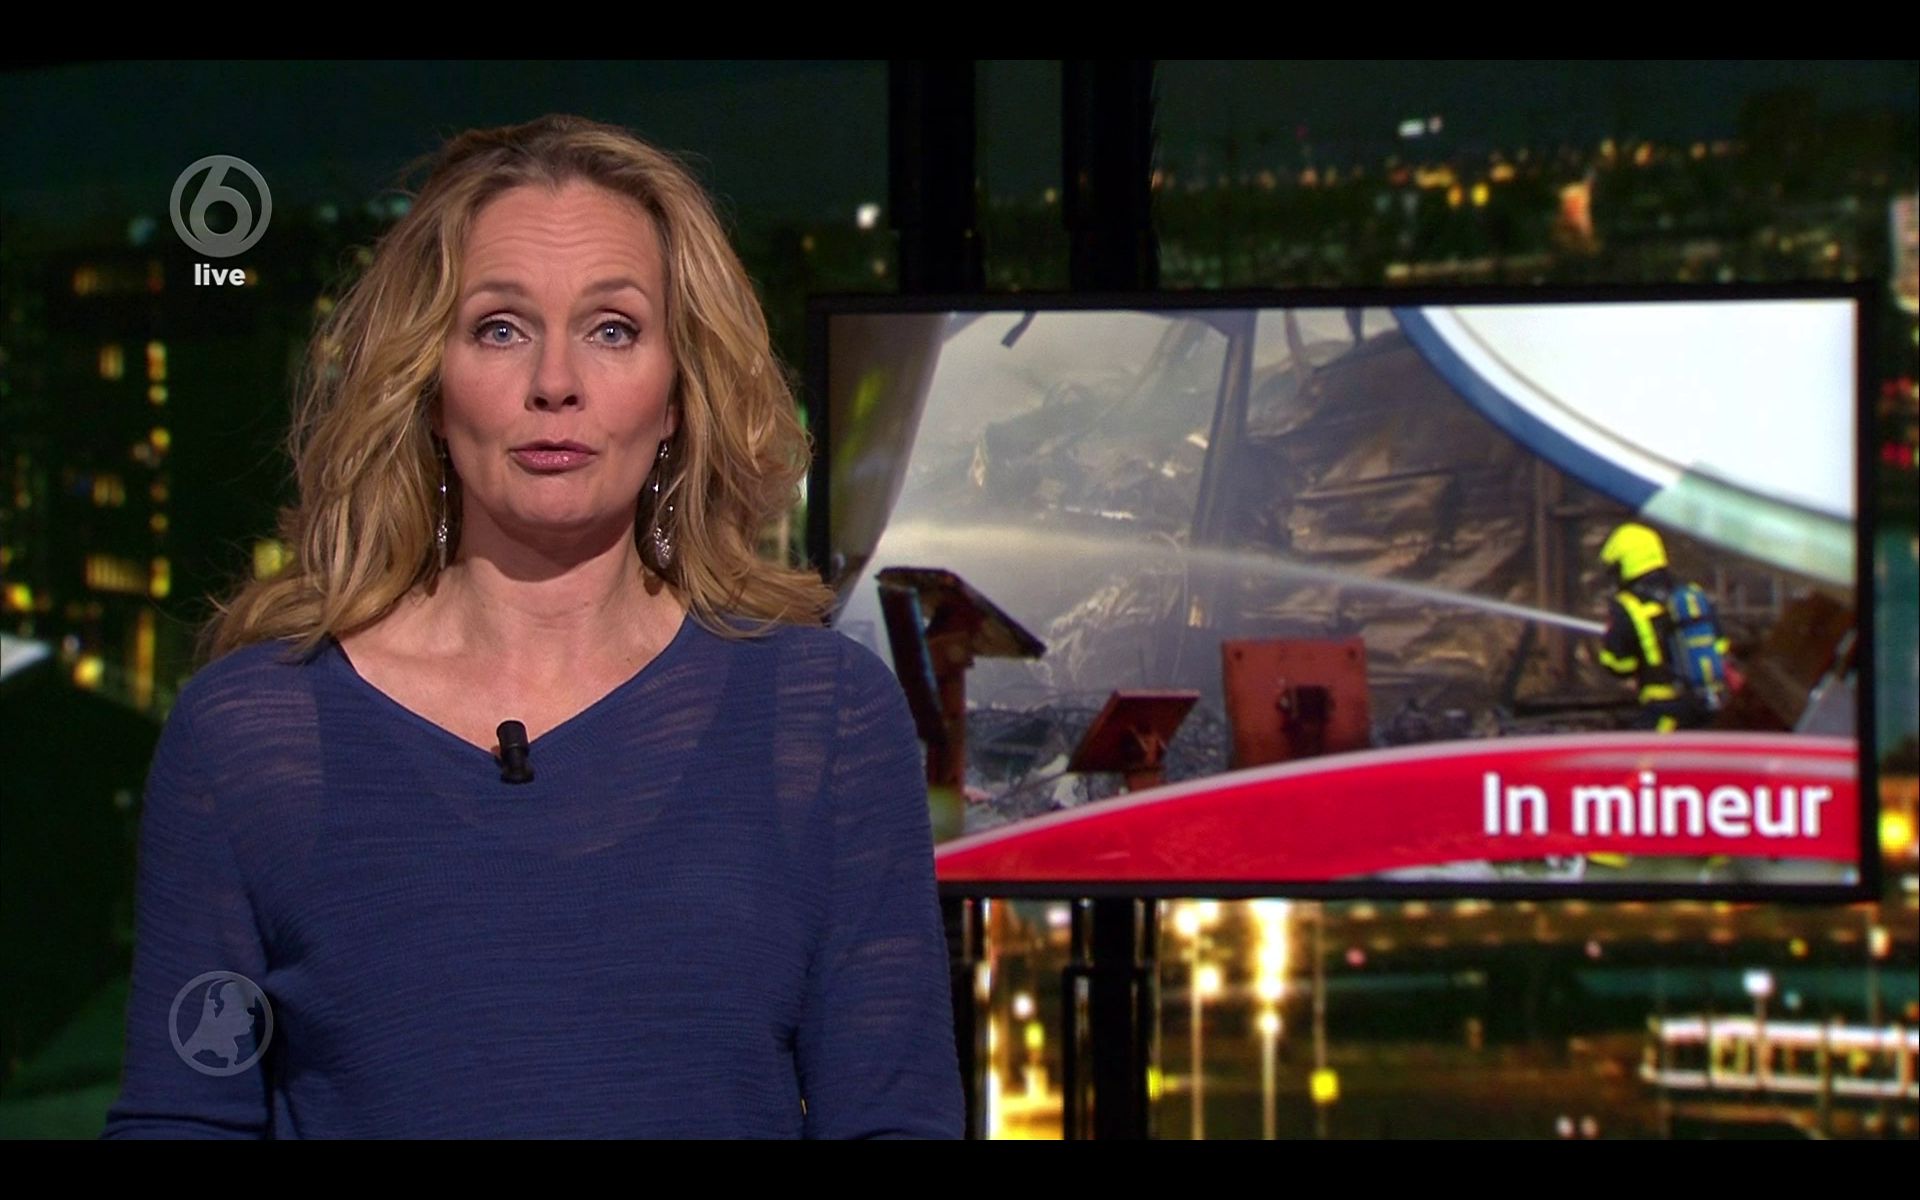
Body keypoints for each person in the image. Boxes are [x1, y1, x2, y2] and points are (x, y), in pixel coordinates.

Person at [100, 115, 964, 1138]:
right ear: (428, 384)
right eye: (500, 329)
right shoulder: (249, 737)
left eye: (613, 329)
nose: (556, 383)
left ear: (679, 393)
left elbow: (893, 1121)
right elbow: (182, 1119)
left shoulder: (824, 720)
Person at [1595, 522, 1732, 733]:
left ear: (1625, 563)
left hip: (1663, 714)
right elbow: (1721, 646)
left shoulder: (1628, 606)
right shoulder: (1692, 595)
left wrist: (1608, 640)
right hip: (1707, 709)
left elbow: (1619, 667)